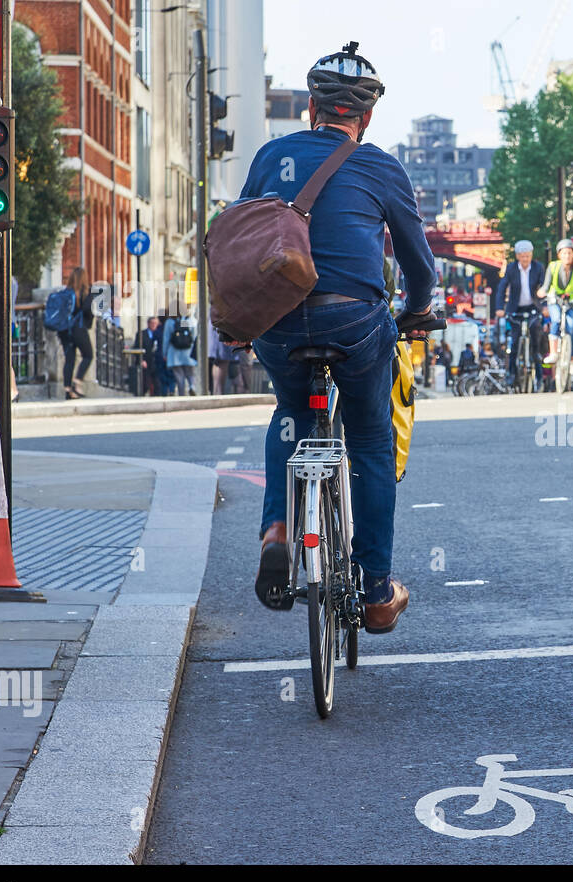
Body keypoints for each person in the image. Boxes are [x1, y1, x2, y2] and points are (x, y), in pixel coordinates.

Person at [242, 41, 436, 632]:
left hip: (278, 320)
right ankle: (376, 590)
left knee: (290, 412)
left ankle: (278, 527)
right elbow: (418, 262)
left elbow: (240, 239)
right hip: (354, 320)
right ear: (367, 117)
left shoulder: (272, 155)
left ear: (310, 108)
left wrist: (238, 318)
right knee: (372, 440)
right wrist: (417, 310)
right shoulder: (379, 165)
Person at [494, 240, 545, 381]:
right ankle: (512, 373)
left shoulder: (538, 267)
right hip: (515, 308)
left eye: (527, 256)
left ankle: (539, 373)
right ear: (517, 256)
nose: (525, 259)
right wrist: (499, 308)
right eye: (522, 256)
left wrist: (544, 305)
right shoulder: (511, 269)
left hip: (533, 307)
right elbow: (502, 288)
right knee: (514, 342)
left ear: (531, 255)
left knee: (536, 337)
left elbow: (544, 286)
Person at [538, 238, 573, 366]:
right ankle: (554, 353)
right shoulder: (553, 267)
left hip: (572, 304)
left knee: (570, 328)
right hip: (555, 301)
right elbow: (546, 285)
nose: (567, 256)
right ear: (559, 255)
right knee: (555, 321)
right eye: (564, 253)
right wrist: (542, 292)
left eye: (569, 253)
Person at [57, 267, 94, 399]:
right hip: (78, 329)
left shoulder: (66, 292)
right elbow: (87, 311)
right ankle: (77, 382)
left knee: (70, 359)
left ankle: (68, 390)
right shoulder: (85, 293)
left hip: (64, 330)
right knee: (88, 355)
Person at [163, 306, 198, 395]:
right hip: (188, 352)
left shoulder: (170, 322)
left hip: (174, 353)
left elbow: (166, 339)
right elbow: (194, 336)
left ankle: (182, 393)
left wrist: (164, 353)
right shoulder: (188, 320)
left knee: (179, 376)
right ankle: (192, 386)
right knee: (190, 373)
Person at [206, 320, 240, 394]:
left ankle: (217, 393)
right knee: (221, 361)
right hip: (221, 325)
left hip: (220, 325)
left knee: (220, 362)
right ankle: (218, 393)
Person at [135, 315, 166, 396]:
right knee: (145, 382)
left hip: (156, 361)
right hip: (146, 360)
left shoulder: (160, 334)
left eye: (155, 323)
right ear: (148, 324)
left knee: (158, 383)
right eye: (152, 323)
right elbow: (137, 347)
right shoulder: (141, 334)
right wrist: (141, 360)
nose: (154, 325)